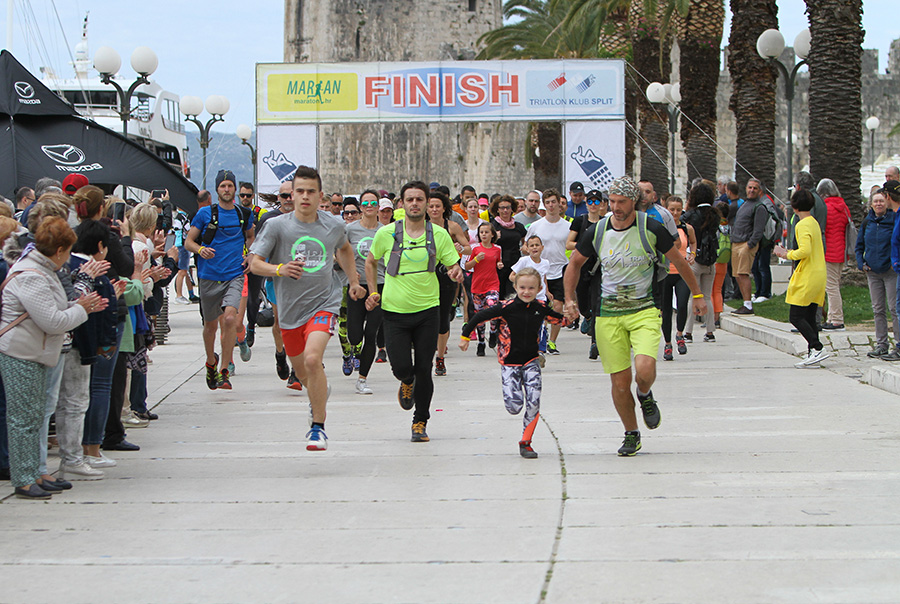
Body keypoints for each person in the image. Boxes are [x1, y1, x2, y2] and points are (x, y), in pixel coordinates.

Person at [563, 176, 706, 456]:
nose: (616, 207)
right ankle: (631, 433)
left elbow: (678, 260)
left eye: (621, 202)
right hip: (608, 316)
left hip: (644, 310)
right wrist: (570, 300)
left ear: (634, 203)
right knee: (618, 382)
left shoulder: (651, 228)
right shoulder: (598, 231)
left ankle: (644, 394)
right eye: (612, 202)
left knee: (644, 370)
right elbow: (574, 264)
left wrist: (698, 296)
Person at [249, 166, 365, 451]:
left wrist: (353, 281)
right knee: (303, 374)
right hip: (289, 313)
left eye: (310, 192)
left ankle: (318, 427)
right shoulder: (277, 226)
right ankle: (317, 393)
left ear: (320, 195)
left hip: (324, 303)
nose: (304, 197)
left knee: (314, 360)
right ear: (291, 195)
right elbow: (254, 263)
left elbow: (345, 249)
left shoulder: (333, 225)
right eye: (298, 191)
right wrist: (279, 268)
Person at [0, 217, 106, 499]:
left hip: (33, 351)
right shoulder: (33, 275)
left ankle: (37, 472)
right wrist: (81, 308)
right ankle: (23, 478)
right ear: (59, 250)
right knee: (23, 419)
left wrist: (80, 307)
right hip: (21, 353)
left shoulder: (41, 269)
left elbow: (54, 312)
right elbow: (53, 321)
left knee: (35, 416)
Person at [365, 180, 463, 443]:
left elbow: (454, 265)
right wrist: (374, 292)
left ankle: (420, 421)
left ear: (427, 203)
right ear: (402, 204)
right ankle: (404, 381)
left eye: (420, 199)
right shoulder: (386, 234)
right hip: (394, 312)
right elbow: (371, 261)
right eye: (410, 199)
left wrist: (456, 272)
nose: (415, 204)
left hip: (427, 311)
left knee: (424, 369)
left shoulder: (439, 235)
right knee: (401, 367)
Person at [460, 268, 567, 458]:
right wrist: (465, 336)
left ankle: (526, 443)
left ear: (539, 288)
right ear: (516, 287)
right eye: (523, 287)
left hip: (531, 361)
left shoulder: (540, 307)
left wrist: (571, 314)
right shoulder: (506, 307)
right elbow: (479, 316)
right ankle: (515, 407)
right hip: (509, 363)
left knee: (534, 401)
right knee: (514, 406)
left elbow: (558, 319)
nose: (527, 292)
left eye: (531, 288)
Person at [185, 170, 255, 390]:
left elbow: (251, 235)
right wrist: (200, 249)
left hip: (234, 274)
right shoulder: (205, 214)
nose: (227, 189)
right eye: (223, 186)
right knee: (210, 327)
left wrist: (249, 254)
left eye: (230, 186)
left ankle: (224, 369)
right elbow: (188, 242)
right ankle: (210, 362)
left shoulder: (243, 214)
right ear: (217, 189)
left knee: (230, 320)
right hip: (208, 276)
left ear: (235, 189)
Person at [774, 190, 829, 367]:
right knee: (810, 315)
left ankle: (817, 347)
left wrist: (786, 253)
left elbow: (805, 251)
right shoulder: (813, 222)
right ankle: (813, 351)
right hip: (818, 272)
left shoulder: (802, 224)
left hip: (808, 274)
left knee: (796, 316)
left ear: (795, 207)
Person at [426, 191, 471, 376]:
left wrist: (459, 248)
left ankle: (440, 357)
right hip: (425, 276)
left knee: (443, 319)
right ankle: (427, 354)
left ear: (444, 208)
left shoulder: (451, 226)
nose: (434, 209)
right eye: (431, 206)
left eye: (438, 206)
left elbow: (468, 247)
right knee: (428, 318)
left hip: (446, 275)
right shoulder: (419, 227)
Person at [525, 190, 571, 355]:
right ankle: (539, 338)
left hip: (560, 270)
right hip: (540, 272)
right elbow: (525, 245)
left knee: (558, 306)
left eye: (554, 202)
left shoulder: (568, 226)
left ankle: (552, 341)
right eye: (548, 202)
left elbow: (574, 245)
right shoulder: (536, 226)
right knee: (540, 307)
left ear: (560, 203)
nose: (551, 205)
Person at [857, 189, 899, 360]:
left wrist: (892, 262)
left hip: (889, 272)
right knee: (878, 309)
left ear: (886, 202)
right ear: (871, 204)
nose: (879, 204)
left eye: (881, 201)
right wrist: (862, 264)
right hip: (872, 272)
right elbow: (859, 245)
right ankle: (881, 344)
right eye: (876, 201)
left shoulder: (894, 220)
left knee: (894, 309)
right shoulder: (867, 222)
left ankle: (898, 344)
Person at [566, 189, 607, 359]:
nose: (593, 205)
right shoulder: (579, 221)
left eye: (597, 202)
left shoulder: (606, 223)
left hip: (599, 268)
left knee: (597, 304)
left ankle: (595, 343)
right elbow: (569, 243)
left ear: (602, 205)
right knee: (584, 305)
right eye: (590, 201)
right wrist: (583, 246)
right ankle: (587, 317)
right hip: (582, 267)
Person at [682, 184, 721, 343]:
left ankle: (688, 332)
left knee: (693, 296)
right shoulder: (715, 215)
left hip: (694, 259)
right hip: (710, 261)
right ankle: (710, 331)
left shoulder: (691, 215)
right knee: (706, 296)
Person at [659, 196, 696, 360]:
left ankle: (680, 335)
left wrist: (692, 254)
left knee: (682, 305)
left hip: (682, 272)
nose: (675, 213)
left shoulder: (687, 228)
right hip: (665, 272)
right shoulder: (660, 227)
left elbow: (693, 242)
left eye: (678, 210)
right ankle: (667, 344)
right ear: (665, 209)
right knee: (665, 311)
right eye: (671, 209)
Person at [730, 179, 768, 315]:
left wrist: (750, 244)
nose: (752, 190)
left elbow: (758, 230)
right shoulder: (745, 204)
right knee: (737, 275)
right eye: (750, 187)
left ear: (760, 191)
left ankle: (748, 305)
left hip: (746, 245)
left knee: (743, 273)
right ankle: (745, 303)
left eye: (755, 188)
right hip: (736, 243)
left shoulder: (759, 207)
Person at [511, 235, 551, 362]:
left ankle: (540, 351)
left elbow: (543, 278)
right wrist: (522, 283)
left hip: (540, 297)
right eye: (531, 245)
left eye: (537, 245)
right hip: (525, 298)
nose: (534, 248)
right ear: (527, 248)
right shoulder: (524, 261)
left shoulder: (545, 263)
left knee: (541, 324)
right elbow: (512, 276)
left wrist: (547, 291)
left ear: (542, 247)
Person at [466, 222, 503, 356]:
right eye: (481, 232)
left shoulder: (497, 249)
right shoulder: (475, 249)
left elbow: (498, 261)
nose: (484, 235)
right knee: (479, 315)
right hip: (477, 285)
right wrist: (476, 259)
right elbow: (467, 266)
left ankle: (493, 331)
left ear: (492, 234)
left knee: (492, 307)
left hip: (492, 284)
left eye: (487, 232)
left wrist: (499, 264)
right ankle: (481, 342)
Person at [818, 178, 850, 331]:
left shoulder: (825, 208)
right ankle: (831, 317)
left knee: (830, 287)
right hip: (841, 251)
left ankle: (836, 319)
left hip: (829, 252)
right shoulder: (843, 206)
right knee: (834, 285)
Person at [490, 195, 526, 300]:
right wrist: (494, 238)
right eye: (502, 208)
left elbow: (526, 242)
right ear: (497, 210)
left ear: (512, 209)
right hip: (499, 265)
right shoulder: (493, 226)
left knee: (514, 293)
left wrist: (525, 247)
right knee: (499, 294)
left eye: (508, 207)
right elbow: (485, 244)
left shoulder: (518, 226)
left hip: (515, 263)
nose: (505, 210)